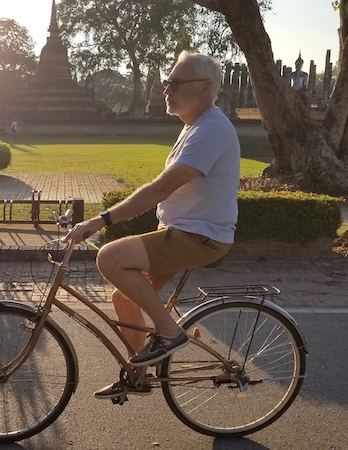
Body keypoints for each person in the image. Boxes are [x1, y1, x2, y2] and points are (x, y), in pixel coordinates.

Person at [63, 52, 240, 399]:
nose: (167, 90)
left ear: (204, 89)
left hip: (199, 236)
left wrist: (102, 219)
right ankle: (138, 374)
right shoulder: (195, 126)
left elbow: (162, 187)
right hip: (182, 231)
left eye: (176, 83)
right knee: (124, 298)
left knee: (110, 259)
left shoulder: (212, 129)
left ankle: (170, 333)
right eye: (166, 83)